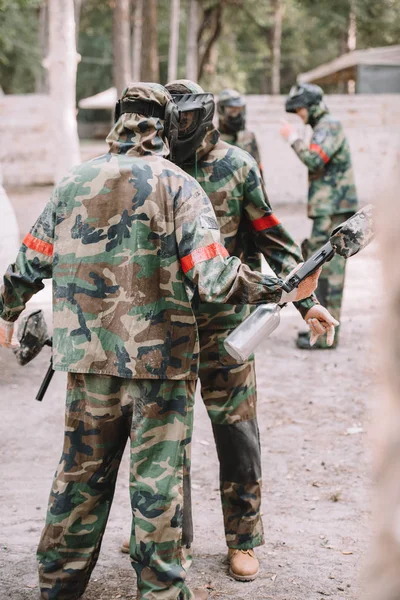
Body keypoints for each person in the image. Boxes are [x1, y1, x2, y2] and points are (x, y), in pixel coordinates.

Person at [0, 83, 321, 600]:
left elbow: (29, 261)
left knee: (79, 481)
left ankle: (56, 585)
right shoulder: (179, 186)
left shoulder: (73, 181)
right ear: (166, 126)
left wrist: (6, 312)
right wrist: (283, 287)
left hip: (89, 362)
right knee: (158, 487)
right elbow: (214, 279)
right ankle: (161, 592)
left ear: (120, 122)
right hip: (162, 365)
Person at [121, 79, 338, 583]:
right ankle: (172, 538)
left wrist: (307, 303)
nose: (177, 130)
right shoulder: (155, 167)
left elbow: (273, 242)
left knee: (238, 435)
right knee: (163, 442)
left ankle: (243, 540)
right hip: (164, 327)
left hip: (226, 330)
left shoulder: (237, 166)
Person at [280, 83, 358, 349]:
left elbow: (315, 160)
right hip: (327, 209)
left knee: (331, 273)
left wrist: (293, 139)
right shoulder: (323, 125)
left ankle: (328, 334)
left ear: (311, 106)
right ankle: (323, 327)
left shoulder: (329, 126)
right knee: (320, 271)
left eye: (301, 109)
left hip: (334, 209)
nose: (299, 115)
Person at [217, 88, 263, 176]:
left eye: (239, 110)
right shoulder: (213, 139)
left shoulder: (249, 137)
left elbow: (258, 171)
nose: (236, 115)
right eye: (232, 110)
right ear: (221, 109)